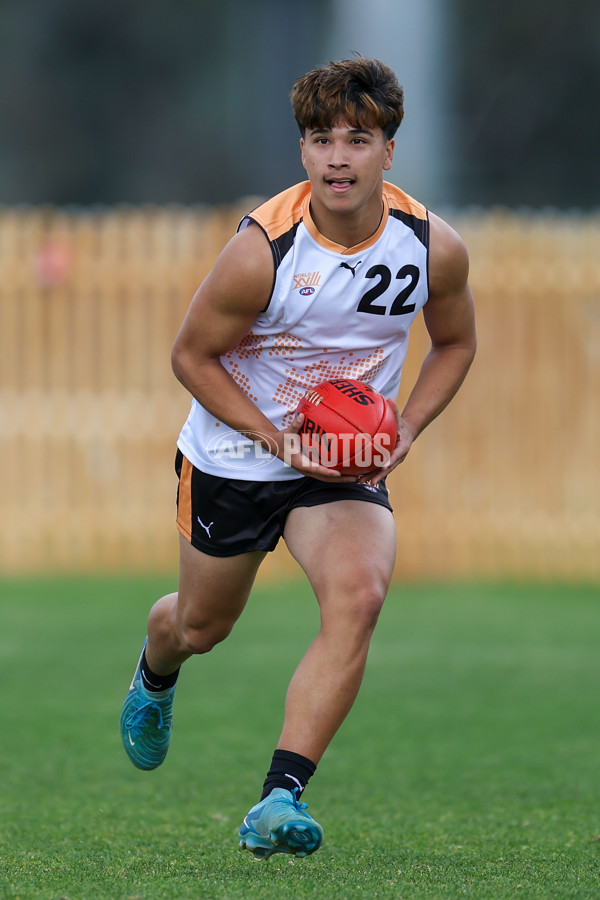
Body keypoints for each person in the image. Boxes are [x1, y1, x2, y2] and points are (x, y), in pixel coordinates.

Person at [120, 56, 476, 860]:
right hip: (235, 459)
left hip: (343, 469)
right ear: (303, 152)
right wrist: (275, 438)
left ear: (389, 148)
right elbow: (191, 357)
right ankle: (156, 664)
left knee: (361, 593)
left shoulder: (432, 247)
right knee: (204, 625)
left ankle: (280, 797)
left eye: (359, 138)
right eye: (321, 140)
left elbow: (455, 344)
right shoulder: (263, 251)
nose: (338, 157)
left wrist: (409, 426)